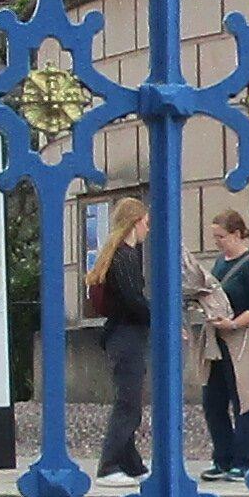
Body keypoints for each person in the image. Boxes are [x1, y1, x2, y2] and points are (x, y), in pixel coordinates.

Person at [192, 197, 249, 475]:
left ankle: (243, 458)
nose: (218, 242)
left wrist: (234, 323)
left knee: (244, 398)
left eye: (221, 237)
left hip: (243, 338)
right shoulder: (219, 264)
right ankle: (222, 457)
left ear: (237, 234)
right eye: (215, 237)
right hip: (217, 338)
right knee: (213, 400)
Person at [87, 192, 154, 478]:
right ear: (135, 222)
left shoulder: (117, 254)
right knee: (128, 403)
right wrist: (162, 320)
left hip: (119, 334)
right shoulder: (125, 257)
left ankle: (131, 463)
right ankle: (109, 464)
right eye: (146, 223)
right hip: (127, 336)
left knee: (129, 400)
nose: (148, 229)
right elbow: (132, 300)